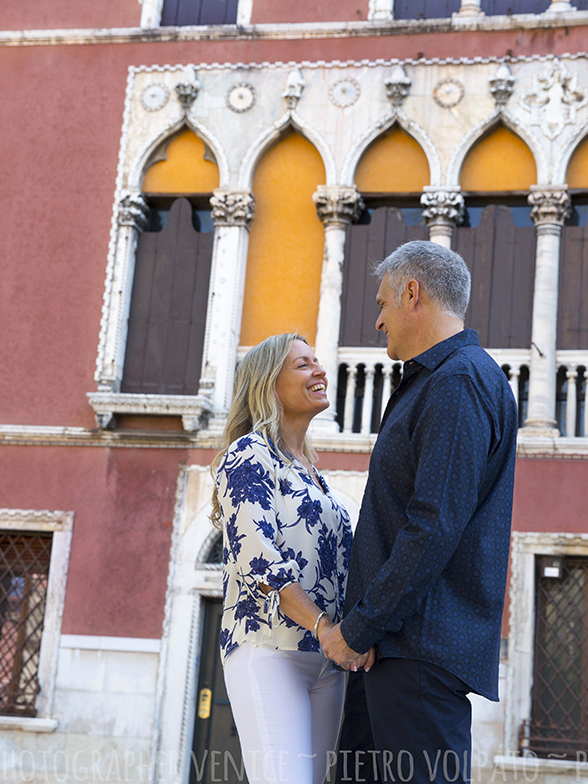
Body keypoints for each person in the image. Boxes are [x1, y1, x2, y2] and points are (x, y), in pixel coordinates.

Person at [319, 241, 518, 784]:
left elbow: (432, 527)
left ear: (413, 293)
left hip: (417, 657)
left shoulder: (458, 381)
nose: (379, 320)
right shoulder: (446, 380)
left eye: (383, 303)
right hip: (397, 653)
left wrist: (358, 628)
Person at [211, 332, 369, 784]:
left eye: (317, 362)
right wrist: (326, 627)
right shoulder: (249, 455)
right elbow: (259, 558)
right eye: (303, 365)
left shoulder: (313, 474)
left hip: (327, 662)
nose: (320, 370)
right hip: (269, 650)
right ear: (267, 383)